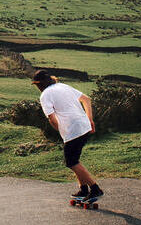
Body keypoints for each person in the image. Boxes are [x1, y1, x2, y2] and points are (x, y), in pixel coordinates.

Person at [31, 69, 104, 204]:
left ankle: (95, 189)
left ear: (39, 84)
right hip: (84, 126)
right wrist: (90, 120)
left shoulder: (45, 95)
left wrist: (62, 130)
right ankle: (83, 189)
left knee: (71, 162)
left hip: (73, 130)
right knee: (74, 160)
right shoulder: (63, 86)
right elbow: (86, 99)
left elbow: (52, 119)